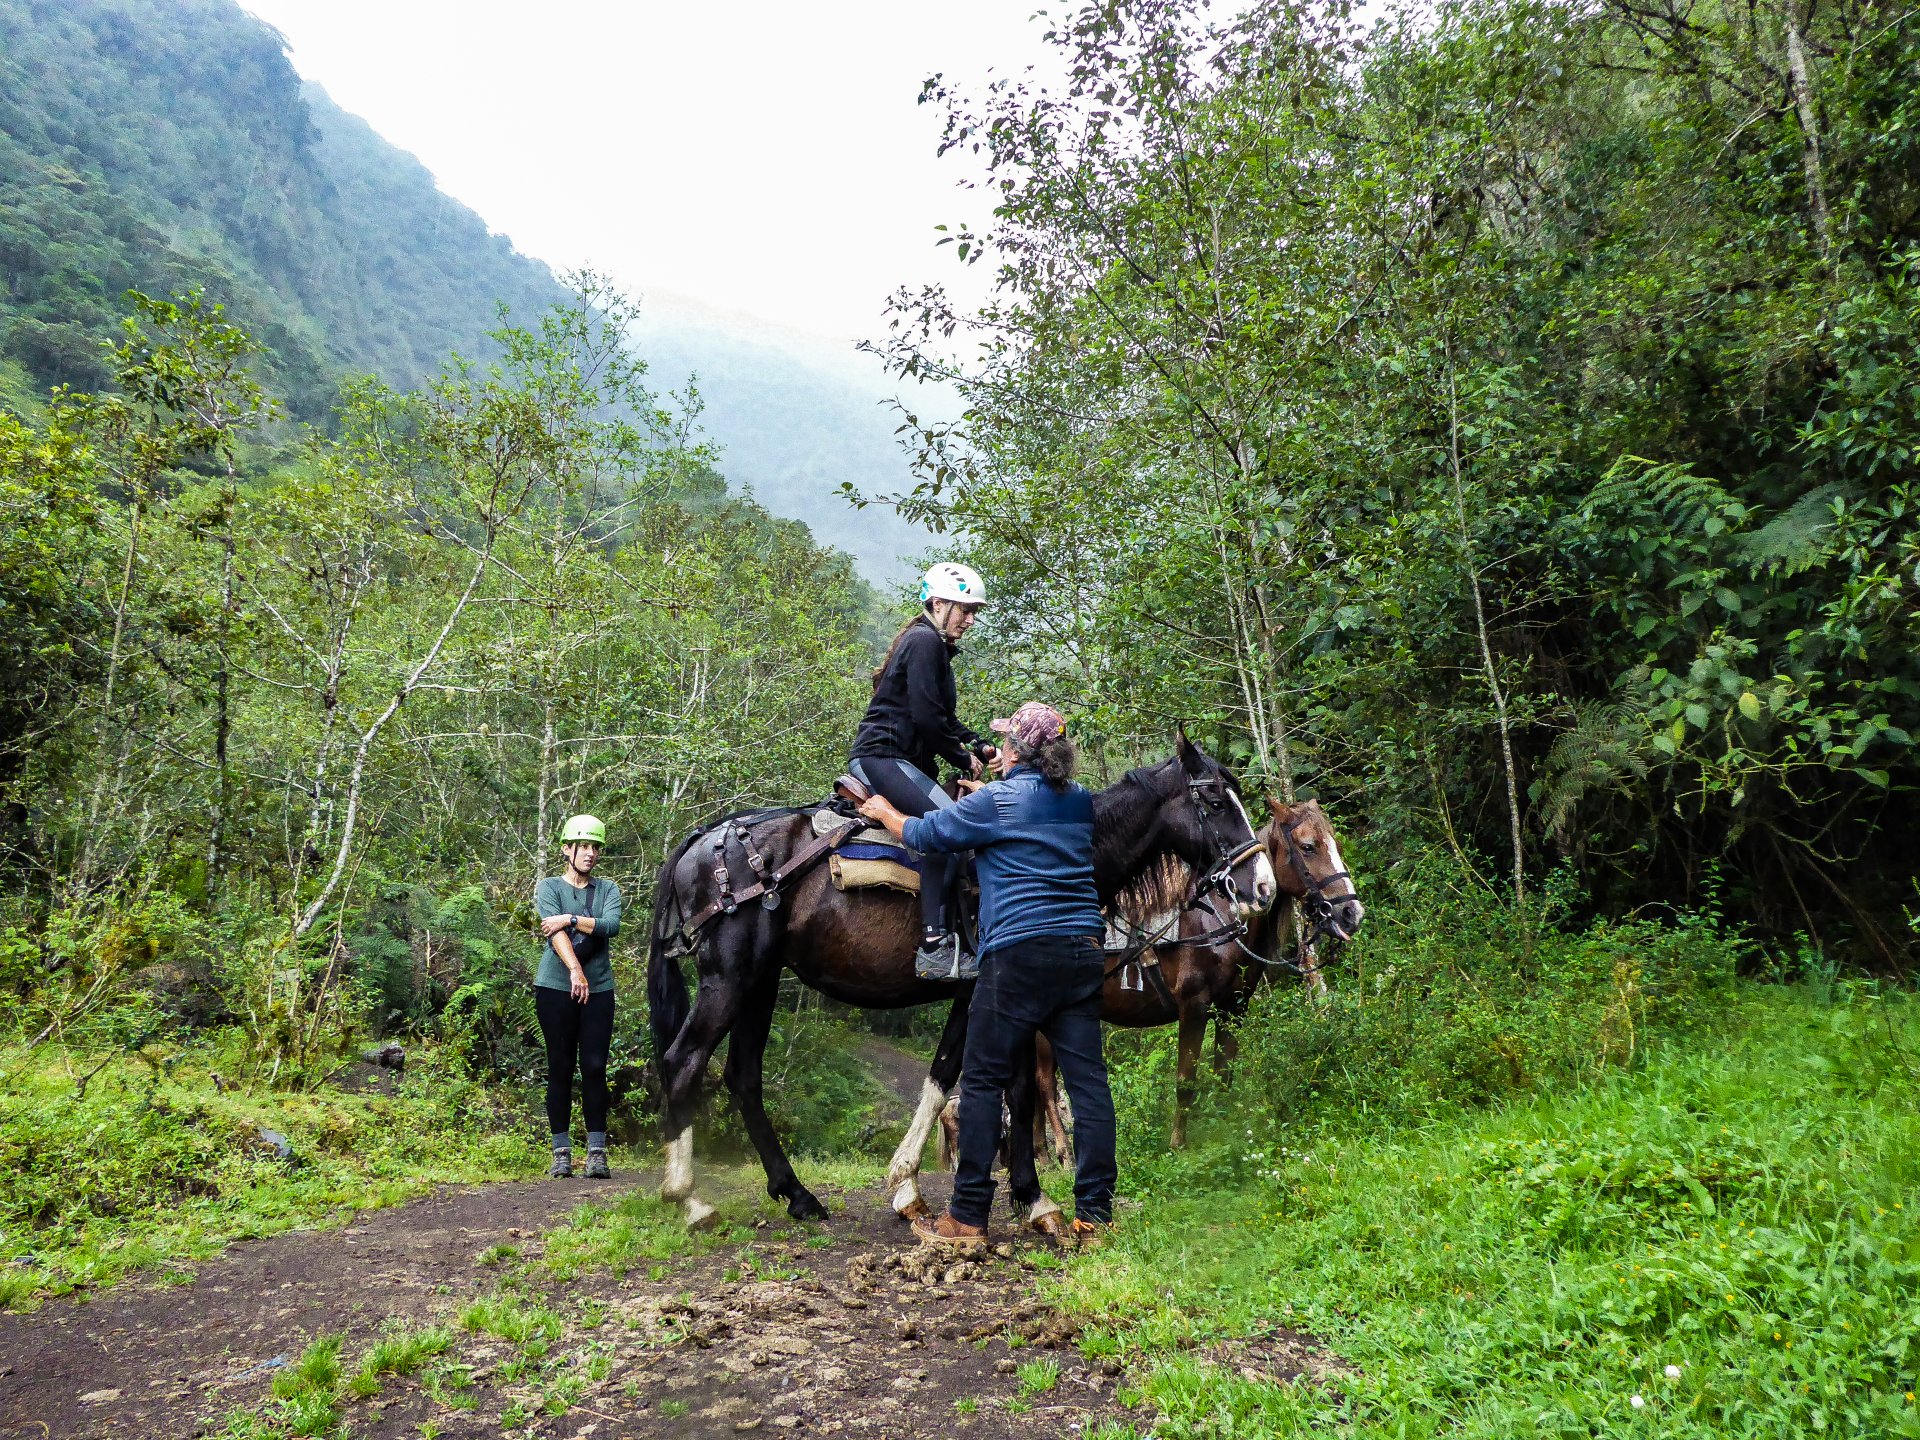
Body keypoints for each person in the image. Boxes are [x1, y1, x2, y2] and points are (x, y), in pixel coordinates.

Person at [858, 702, 1116, 1251]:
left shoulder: (999, 802)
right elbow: (1023, 815)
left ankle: (968, 1216)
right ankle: (1095, 1217)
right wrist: (986, 797)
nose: (997, 749)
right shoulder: (1079, 802)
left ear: (1018, 751)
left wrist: (883, 811)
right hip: (1082, 951)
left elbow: (926, 835)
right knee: (1089, 1084)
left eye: (1004, 743)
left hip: (1018, 954)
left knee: (980, 1080)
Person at [848, 561, 992, 979]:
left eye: (974, 611)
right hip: (883, 757)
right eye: (964, 609)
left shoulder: (930, 644)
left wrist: (976, 742)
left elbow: (941, 718)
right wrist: (964, 759)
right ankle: (933, 946)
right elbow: (928, 721)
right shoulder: (925, 643)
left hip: (897, 758)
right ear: (938, 603)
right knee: (947, 827)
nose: (970, 619)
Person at [533, 813, 624, 1180]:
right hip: (555, 987)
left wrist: (569, 919)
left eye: (595, 847)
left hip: (600, 990)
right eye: (583, 846)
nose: (590, 854)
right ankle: (561, 1152)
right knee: (560, 1067)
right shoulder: (549, 886)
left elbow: (609, 926)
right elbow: (551, 934)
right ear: (567, 849)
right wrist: (574, 970)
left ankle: (597, 1153)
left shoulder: (608, 890)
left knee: (595, 1068)